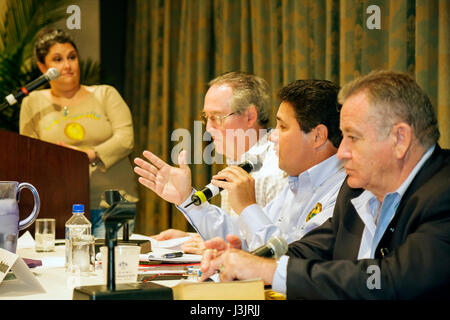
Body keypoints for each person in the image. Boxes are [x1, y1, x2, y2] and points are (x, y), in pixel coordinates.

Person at [200, 70, 450, 299]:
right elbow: (307, 252)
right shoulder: (355, 193)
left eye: (352, 137)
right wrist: (245, 259)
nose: (341, 152)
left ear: (400, 139)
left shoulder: (443, 194)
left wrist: (270, 272)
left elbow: (392, 280)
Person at [135, 79, 346, 251]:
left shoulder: (344, 192)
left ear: (318, 136)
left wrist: (248, 207)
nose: (272, 136)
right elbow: (243, 239)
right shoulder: (297, 182)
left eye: (282, 127)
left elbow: (289, 262)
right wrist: (186, 198)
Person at [135, 71, 287, 252]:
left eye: (216, 117)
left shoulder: (277, 167)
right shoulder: (239, 162)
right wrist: (191, 228)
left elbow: (280, 248)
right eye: (206, 118)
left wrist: (218, 247)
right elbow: (240, 232)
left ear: (249, 116)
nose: (208, 128)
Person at [19, 28, 138, 238]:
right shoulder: (32, 103)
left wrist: (86, 156)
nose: (67, 65)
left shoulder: (105, 94)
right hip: (59, 207)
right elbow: (29, 154)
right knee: (69, 268)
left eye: (72, 57)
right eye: (57, 59)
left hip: (111, 204)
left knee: (112, 268)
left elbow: (125, 139)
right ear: (42, 67)